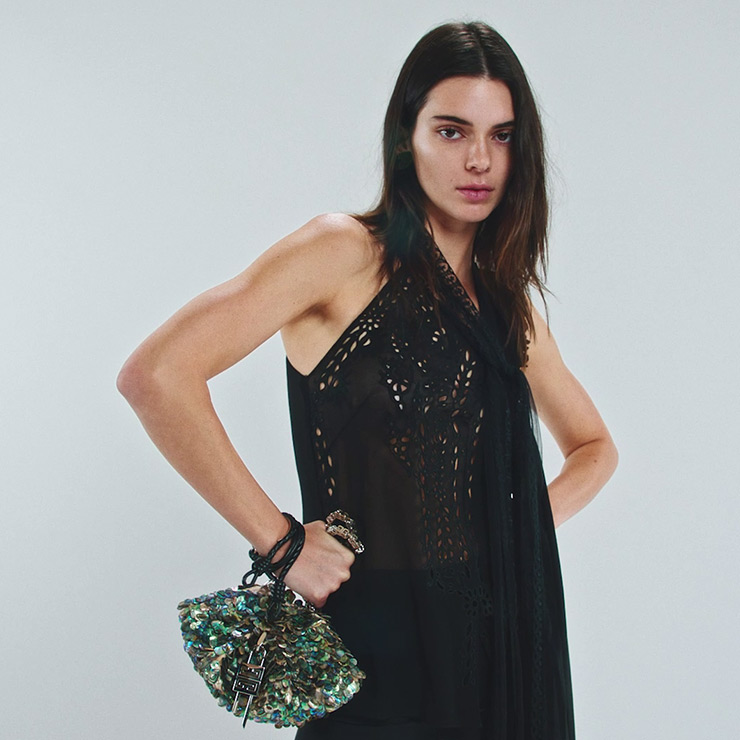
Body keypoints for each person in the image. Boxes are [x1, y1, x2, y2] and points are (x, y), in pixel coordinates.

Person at [117, 19, 618, 740]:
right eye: (451, 131)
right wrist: (282, 544)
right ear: (405, 138)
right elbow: (157, 375)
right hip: (373, 655)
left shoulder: (505, 301)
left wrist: (517, 530)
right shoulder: (345, 252)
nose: (479, 159)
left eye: (502, 135)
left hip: (499, 649)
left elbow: (594, 447)